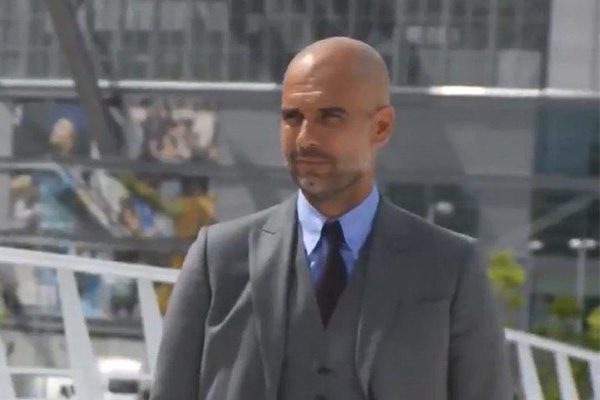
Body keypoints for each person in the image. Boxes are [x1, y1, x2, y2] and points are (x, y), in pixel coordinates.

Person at [151, 37, 511, 399]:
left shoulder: (450, 267)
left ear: (381, 127)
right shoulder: (217, 259)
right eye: (292, 117)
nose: (305, 138)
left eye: (330, 117)